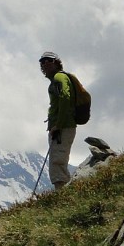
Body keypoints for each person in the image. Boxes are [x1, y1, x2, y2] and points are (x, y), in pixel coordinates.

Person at [39, 51, 77, 190]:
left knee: (57, 161)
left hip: (62, 127)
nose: (45, 64)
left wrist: (58, 125)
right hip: (62, 126)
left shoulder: (59, 77)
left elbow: (65, 97)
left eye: (49, 60)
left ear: (56, 62)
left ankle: (62, 194)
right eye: (42, 61)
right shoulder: (58, 78)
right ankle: (63, 193)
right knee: (58, 160)